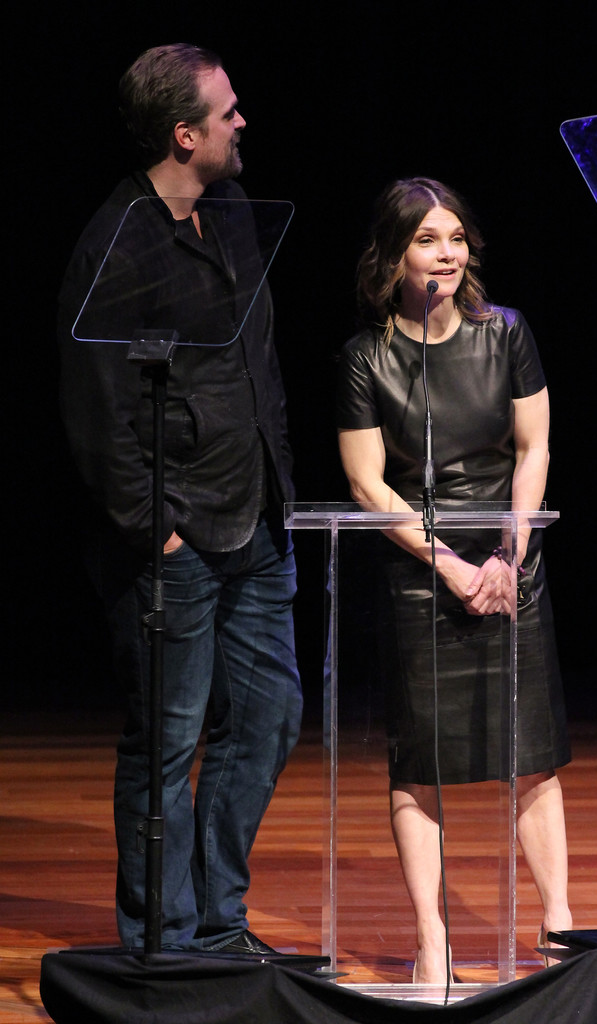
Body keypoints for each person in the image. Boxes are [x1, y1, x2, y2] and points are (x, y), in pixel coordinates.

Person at [57, 44, 304, 955]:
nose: (243, 123)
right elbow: (97, 408)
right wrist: (152, 529)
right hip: (174, 531)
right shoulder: (115, 241)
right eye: (227, 112)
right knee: (167, 740)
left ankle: (216, 919)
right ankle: (165, 938)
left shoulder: (235, 209)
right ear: (183, 133)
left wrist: (278, 477)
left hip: (255, 513)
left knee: (270, 717)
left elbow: (255, 361)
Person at [336, 177, 573, 984]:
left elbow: (532, 448)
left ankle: (558, 931)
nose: (446, 254)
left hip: (510, 562)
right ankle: (433, 942)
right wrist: (447, 562)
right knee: (419, 763)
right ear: (395, 255)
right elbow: (369, 485)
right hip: (418, 566)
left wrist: (510, 556)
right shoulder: (365, 356)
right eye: (428, 240)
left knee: (532, 757)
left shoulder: (504, 332)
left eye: (456, 238)